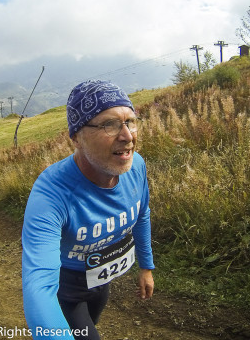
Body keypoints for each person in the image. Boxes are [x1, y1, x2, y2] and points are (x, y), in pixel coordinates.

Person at [22, 80, 155, 340]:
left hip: (100, 279)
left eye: (131, 121)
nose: (128, 136)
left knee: (89, 326)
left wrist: (146, 267)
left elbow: (142, 214)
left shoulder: (135, 165)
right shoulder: (51, 193)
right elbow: (38, 287)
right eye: (110, 124)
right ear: (76, 137)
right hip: (66, 288)